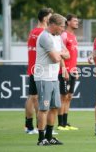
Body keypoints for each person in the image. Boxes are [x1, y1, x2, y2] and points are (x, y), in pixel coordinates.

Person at [34, 13, 69, 145]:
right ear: (53, 25)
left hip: (54, 77)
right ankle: (41, 138)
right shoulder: (45, 37)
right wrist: (61, 54)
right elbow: (55, 58)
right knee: (44, 108)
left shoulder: (58, 37)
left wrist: (63, 65)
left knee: (54, 107)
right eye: (61, 26)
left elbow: (68, 54)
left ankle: (49, 136)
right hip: (43, 77)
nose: (63, 29)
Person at [25, 8, 53, 134]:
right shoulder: (42, 33)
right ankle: (39, 126)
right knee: (37, 98)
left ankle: (29, 126)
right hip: (39, 69)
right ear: (45, 18)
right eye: (50, 17)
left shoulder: (33, 31)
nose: (51, 19)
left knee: (32, 97)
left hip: (33, 67)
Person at [57, 14, 79, 131]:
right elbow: (61, 53)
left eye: (77, 21)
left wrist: (75, 69)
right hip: (64, 70)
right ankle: (60, 124)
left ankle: (65, 123)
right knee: (63, 96)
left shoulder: (73, 37)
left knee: (69, 96)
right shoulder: (64, 35)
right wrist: (64, 69)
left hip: (72, 70)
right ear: (68, 22)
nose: (77, 23)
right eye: (75, 21)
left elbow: (73, 55)